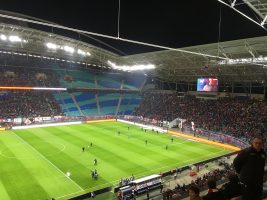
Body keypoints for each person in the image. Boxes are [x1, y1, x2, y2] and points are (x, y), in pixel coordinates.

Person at [233, 136, 266, 200]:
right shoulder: (246, 152)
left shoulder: (263, 153)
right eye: (256, 143)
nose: (258, 145)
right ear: (252, 143)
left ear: (262, 144)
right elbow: (236, 162)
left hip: (258, 182)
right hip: (247, 182)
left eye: (260, 143)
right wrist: (241, 172)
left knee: (257, 196)